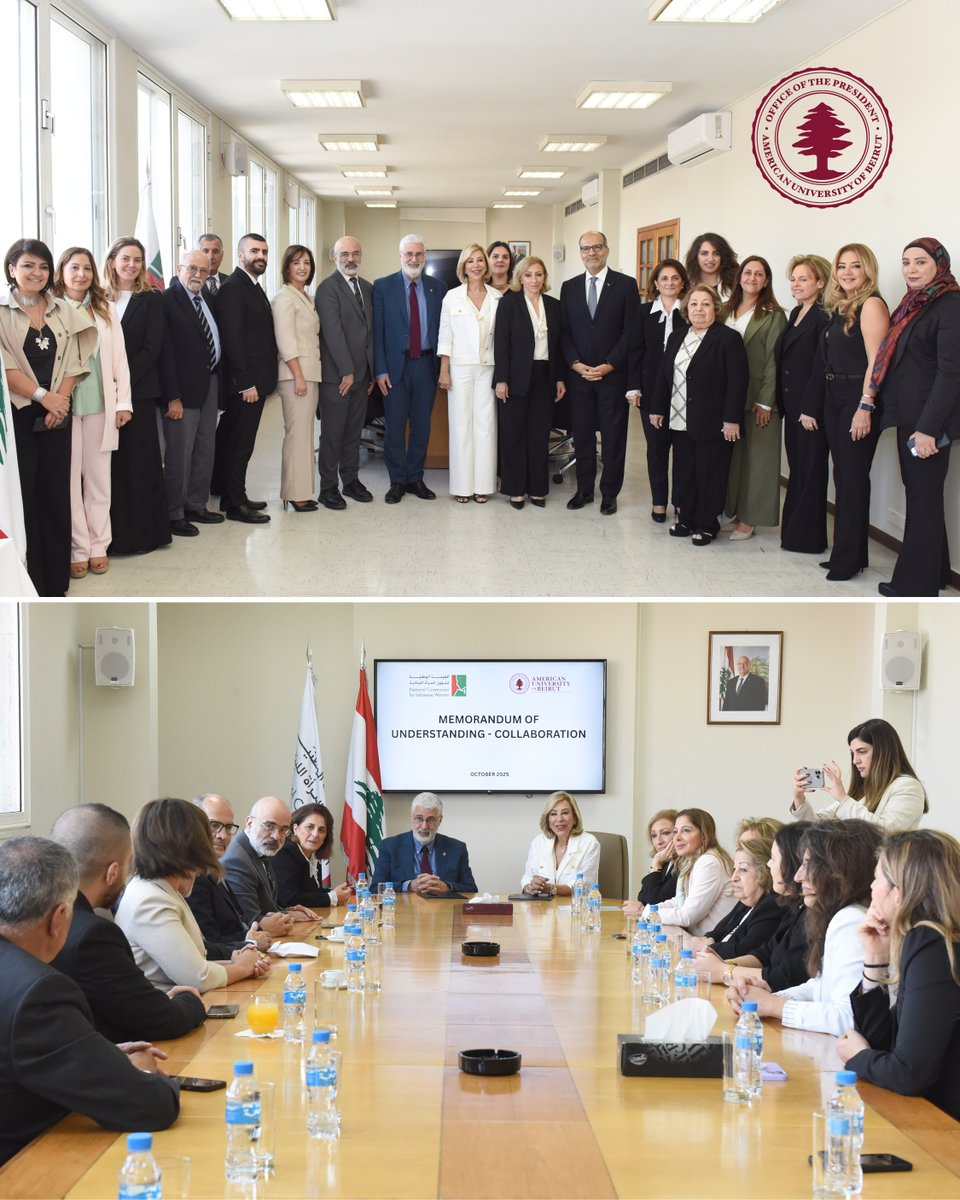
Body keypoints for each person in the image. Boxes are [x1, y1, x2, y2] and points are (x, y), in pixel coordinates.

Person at [0, 837, 179, 1167]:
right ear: (60, 918)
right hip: (25, 1170)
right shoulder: (37, 993)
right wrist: (142, 1071)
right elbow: (149, 1106)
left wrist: (99, 1057)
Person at [48, 803, 206, 1042]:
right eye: (128, 864)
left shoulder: (36, 919)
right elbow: (160, 1020)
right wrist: (191, 999)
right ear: (112, 872)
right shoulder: (93, 936)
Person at [837, 829, 960, 1121]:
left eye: (877, 878)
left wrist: (859, 1057)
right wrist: (875, 958)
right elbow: (884, 1044)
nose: (871, 886)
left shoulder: (932, 943)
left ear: (900, 891)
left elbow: (908, 1074)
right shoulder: (934, 940)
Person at [0, 238, 96, 595]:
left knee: (56, 494)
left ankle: (56, 581)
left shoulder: (61, 309)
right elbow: (4, 366)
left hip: (58, 415)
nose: (36, 273)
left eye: (43, 266)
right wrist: (44, 397)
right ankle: (31, 580)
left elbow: (76, 357)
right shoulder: (1, 311)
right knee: (25, 494)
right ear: (12, 269)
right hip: (19, 415)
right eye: (28, 265)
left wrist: (61, 400)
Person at [728, 819, 882, 1035]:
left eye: (809, 865)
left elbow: (848, 1017)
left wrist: (773, 1005)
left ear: (839, 870)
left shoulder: (851, 920)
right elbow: (819, 987)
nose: (798, 876)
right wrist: (765, 997)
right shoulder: (836, 916)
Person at [871, 238, 960, 596]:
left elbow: (950, 373)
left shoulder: (950, 305)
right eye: (906, 262)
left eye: (920, 262)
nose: (911, 269)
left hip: (928, 423)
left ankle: (914, 586)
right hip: (911, 416)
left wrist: (927, 429)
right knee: (924, 495)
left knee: (923, 499)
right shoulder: (914, 303)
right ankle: (936, 571)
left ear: (939, 265)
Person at [115, 797, 270, 992]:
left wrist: (237, 962)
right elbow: (198, 977)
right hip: (171, 1005)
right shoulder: (150, 900)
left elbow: (195, 963)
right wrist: (241, 968)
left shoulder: (163, 889)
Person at [809, 244, 890, 580]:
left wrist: (865, 405)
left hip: (858, 397)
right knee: (843, 476)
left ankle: (847, 560)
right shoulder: (842, 306)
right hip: (835, 396)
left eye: (855, 266)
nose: (847, 272)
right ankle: (851, 554)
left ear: (868, 270)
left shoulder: (872, 305)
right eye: (842, 266)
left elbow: (876, 361)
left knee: (853, 478)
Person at [52, 247, 132, 578]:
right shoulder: (51, 307)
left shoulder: (105, 308)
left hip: (101, 403)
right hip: (65, 406)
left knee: (99, 479)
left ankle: (99, 545)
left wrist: (123, 403)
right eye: (74, 268)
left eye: (86, 268)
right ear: (62, 272)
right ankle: (78, 548)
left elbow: (120, 359)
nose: (81, 274)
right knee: (70, 480)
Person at [648, 285, 748, 546]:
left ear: (716, 308)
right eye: (694, 304)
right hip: (679, 418)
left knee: (710, 473)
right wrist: (657, 407)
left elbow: (737, 382)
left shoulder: (728, 338)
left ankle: (706, 524)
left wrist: (731, 419)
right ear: (686, 309)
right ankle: (686, 519)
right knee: (684, 471)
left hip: (713, 420)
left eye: (705, 304)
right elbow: (664, 375)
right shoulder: (677, 336)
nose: (699, 309)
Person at [560, 230, 639, 516]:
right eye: (585, 248)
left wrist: (610, 364)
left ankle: (609, 493)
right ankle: (583, 490)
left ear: (606, 250)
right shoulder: (569, 287)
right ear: (580, 252)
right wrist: (574, 363)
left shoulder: (626, 285)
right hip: (579, 376)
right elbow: (564, 332)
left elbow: (630, 331)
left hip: (612, 376)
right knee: (582, 435)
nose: (591, 253)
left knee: (613, 437)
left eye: (596, 247)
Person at [101, 237, 172, 557]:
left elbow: (152, 348)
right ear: (112, 261)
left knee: (138, 464)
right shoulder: (97, 298)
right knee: (109, 467)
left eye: (138, 260)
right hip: (101, 393)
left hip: (139, 393)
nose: (132, 265)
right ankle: (108, 537)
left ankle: (142, 535)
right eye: (126, 258)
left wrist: (122, 380)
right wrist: (109, 381)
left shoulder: (151, 299)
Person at [373, 234, 447, 504]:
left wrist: (444, 366)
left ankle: (415, 477)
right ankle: (397, 481)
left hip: (426, 365)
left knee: (421, 425)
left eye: (418, 254)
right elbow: (378, 332)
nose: (413, 259)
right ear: (400, 255)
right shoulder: (383, 286)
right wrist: (380, 370)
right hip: (395, 368)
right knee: (394, 426)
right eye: (409, 254)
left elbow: (444, 329)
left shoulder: (438, 288)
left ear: (424, 256)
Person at [212, 233, 278, 524]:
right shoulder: (233, 288)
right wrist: (246, 383)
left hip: (255, 381)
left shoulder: (251, 285)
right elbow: (233, 340)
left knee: (236, 441)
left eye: (264, 251)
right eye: (254, 251)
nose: (260, 256)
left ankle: (233, 493)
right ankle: (235, 504)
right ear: (240, 256)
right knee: (240, 444)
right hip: (245, 385)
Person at [159, 249, 224, 535]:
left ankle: (196, 504)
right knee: (180, 453)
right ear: (179, 269)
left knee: (205, 447)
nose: (198, 275)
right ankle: (174, 513)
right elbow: (164, 353)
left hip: (210, 383)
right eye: (192, 269)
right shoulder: (166, 301)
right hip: (181, 391)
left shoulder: (207, 298)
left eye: (204, 270)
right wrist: (172, 396)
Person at [722, 255, 787, 540]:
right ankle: (737, 512)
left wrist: (765, 401)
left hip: (759, 398)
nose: (752, 278)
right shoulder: (726, 309)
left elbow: (775, 360)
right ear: (739, 278)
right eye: (747, 272)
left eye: (759, 274)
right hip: (730, 396)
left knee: (759, 460)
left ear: (766, 280)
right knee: (736, 459)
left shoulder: (774, 315)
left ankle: (751, 519)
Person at [702, 822, 810, 988]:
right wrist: (723, 964)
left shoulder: (796, 909)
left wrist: (723, 970)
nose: (768, 864)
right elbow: (765, 954)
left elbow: (785, 977)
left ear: (792, 863)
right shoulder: (795, 906)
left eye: (773, 858)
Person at [493, 255, 564, 509]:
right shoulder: (508, 303)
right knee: (514, 433)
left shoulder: (554, 306)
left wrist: (559, 377)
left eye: (539, 274)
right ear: (520, 278)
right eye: (529, 275)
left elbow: (559, 346)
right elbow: (501, 344)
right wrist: (501, 380)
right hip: (515, 376)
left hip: (545, 375)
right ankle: (515, 489)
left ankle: (537, 488)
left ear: (544, 277)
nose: (534, 280)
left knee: (539, 433)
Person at [776, 253, 832, 554]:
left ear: (820, 282)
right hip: (792, 406)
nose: (796, 284)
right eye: (793, 279)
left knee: (811, 473)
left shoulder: (825, 316)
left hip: (811, 410)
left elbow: (821, 367)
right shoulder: (797, 312)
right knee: (798, 470)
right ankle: (794, 534)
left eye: (804, 279)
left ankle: (809, 539)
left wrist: (810, 408)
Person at [437, 244, 501, 502]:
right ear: (463, 266)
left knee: (486, 426)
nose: (476, 265)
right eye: (470, 261)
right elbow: (446, 334)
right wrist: (444, 370)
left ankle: (483, 485)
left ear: (486, 265)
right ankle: (462, 487)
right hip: (460, 367)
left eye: (480, 260)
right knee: (461, 425)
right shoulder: (452, 297)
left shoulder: (497, 297)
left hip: (489, 367)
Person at [627, 257, 689, 523]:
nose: (670, 283)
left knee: (684, 451)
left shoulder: (690, 310)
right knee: (656, 449)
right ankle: (659, 502)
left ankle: (682, 502)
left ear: (683, 283)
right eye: (664, 278)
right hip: (651, 390)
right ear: (655, 283)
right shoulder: (643, 313)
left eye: (675, 278)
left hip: (685, 391)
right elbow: (635, 351)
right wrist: (633, 387)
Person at [316, 235, 375, 509]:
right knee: (333, 434)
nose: (350, 259)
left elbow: (370, 333)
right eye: (344, 254)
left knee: (353, 432)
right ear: (334, 257)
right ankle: (328, 487)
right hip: (337, 377)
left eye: (355, 253)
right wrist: (348, 372)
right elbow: (333, 333)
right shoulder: (327, 289)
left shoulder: (367, 288)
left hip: (362, 377)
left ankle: (350, 481)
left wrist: (370, 372)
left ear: (361, 256)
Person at [790, 716, 928, 831]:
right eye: (853, 753)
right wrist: (799, 798)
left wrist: (843, 799)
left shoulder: (908, 786)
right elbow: (815, 828)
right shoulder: (862, 791)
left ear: (883, 751)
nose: (855, 761)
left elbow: (886, 832)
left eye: (862, 752)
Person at [185, 793, 275, 957]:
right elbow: (210, 941)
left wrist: (256, 932)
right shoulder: (191, 876)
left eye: (228, 827)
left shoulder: (213, 867)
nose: (223, 835)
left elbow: (235, 924)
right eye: (214, 825)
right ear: (193, 826)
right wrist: (251, 941)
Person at [272, 244, 321, 513]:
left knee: (305, 435)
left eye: (306, 263)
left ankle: (301, 491)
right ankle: (294, 494)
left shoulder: (305, 297)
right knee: (297, 436)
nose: (302, 267)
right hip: (295, 376)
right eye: (296, 262)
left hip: (309, 373)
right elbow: (286, 341)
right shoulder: (284, 298)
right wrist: (299, 376)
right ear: (287, 267)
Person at [221, 795, 319, 928]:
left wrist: (289, 913)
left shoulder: (259, 848)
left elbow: (266, 908)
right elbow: (251, 921)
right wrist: (287, 916)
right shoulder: (237, 861)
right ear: (250, 823)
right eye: (269, 826)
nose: (276, 836)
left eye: (284, 829)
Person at [686, 833, 781, 960]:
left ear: (764, 872)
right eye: (734, 869)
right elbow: (719, 930)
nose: (733, 878)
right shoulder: (746, 902)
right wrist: (704, 940)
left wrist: (707, 946)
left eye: (743, 870)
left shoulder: (771, 905)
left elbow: (744, 951)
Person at [650, 808, 736, 935]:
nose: (677, 838)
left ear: (704, 835)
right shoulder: (694, 861)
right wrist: (651, 910)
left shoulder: (709, 862)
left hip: (714, 943)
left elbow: (687, 916)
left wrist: (650, 914)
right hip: (700, 940)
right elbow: (679, 901)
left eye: (686, 830)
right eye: (675, 831)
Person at [371, 793, 477, 895]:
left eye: (431, 820)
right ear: (411, 818)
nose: (424, 826)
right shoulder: (390, 846)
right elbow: (375, 888)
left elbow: (471, 889)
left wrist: (447, 887)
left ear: (440, 820)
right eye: (419, 819)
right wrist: (408, 886)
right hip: (405, 907)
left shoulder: (457, 848)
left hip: (443, 906)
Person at [273, 803, 353, 908]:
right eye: (310, 827)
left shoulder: (311, 858)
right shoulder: (283, 853)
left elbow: (311, 892)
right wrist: (332, 897)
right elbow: (289, 899)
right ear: (295, 829)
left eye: (321, 830)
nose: (315, 834)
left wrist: (336, 893)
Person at [520, 791, 600, 896]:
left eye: (565, 813)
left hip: (576, 905)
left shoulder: (589, 843)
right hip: (541, 905)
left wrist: (552, 889)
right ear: (548, 820)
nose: (559, 819)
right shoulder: (538, 841)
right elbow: (527, 877)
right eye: (553, 814)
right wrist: (529, 887)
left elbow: (586, 885)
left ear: (575, 817)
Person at [622, 808, 677, 916]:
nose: (658, 841)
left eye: (665, 833)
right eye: (654, 835)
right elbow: (642, 897)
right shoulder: (664, 862)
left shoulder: (683, 864)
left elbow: (653, 903)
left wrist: (656, 863)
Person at [683, 232, 739, 301]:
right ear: (695, 256)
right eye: (704, 253)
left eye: (716, 253)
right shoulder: (685, 286)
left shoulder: (735, 285)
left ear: (723, 257)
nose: (710, 259)